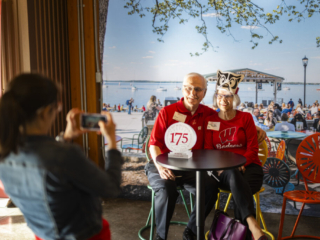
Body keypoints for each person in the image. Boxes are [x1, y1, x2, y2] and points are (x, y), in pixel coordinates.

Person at [0, 74, 123, 240]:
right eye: (57, 107)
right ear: (44, 112)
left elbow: (45, 160)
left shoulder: (5, 153)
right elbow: (111, 187)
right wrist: (112, 142)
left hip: (43, 235)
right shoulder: (65, 155)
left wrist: (65, 137)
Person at [146, 72, 266, 240]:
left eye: (197, 89)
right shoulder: (167, 112)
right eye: (188, 88)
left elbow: (228, 117)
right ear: (182, 89)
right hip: (163, 164)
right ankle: (160, 237)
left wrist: (257, 128)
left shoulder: (208, 115)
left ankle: (191, 231)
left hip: (190, 168)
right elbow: (154, 144)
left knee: (210, 187)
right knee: (167, 190)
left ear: (204, 92)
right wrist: (160, 167)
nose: (192, 93)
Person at [204, 70, 266, 240]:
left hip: (250, 166)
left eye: (228, 96)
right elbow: (209, 150)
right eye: (220, 95)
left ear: (235, 98)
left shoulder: (245, 118)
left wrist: (243, 163)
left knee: (241, 186)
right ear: (216, 97)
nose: (223, 100)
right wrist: (223, 167)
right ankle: (253, 227)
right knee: (234, 176)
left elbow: (253, 149)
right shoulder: (212, 120)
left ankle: (239, 235)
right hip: (222, 171)